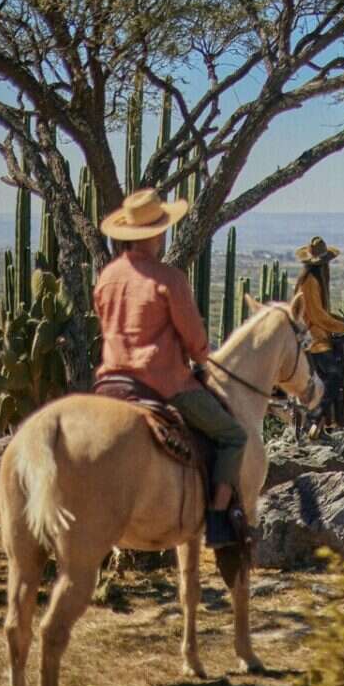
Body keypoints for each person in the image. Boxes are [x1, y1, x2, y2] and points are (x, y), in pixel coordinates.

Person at [93, 188, 243, 548]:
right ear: (159, 232)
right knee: (232, 435)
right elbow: (196, 342)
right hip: (163, 384)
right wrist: (201, 356)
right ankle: (219, 518)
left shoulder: (107, 276)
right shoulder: (169, 279)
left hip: (110, 382)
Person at [292, 236, 344, 426]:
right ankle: (317, 415)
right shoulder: (310, 282)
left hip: (318, 335)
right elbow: (317, 316)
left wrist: (339, 320)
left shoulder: (313, 280)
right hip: (315, 340)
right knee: (334, 376)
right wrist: (343, 326)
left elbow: (322, 313)